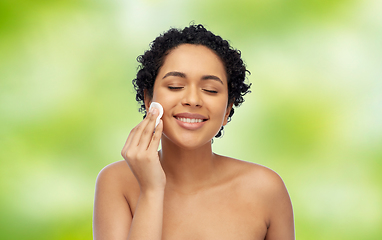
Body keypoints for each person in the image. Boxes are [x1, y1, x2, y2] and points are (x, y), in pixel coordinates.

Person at [93, 24, 295, 240]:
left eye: (210, 90)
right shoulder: (117, 182)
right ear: (149, 99)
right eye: (175, 86)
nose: (192, 100)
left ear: (228, 109)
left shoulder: (266, 189)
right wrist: (151, 190)